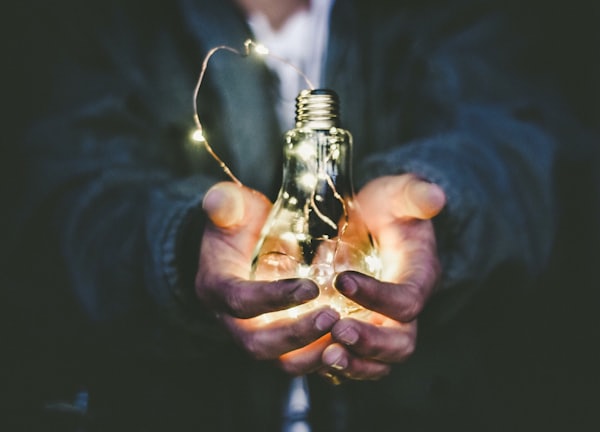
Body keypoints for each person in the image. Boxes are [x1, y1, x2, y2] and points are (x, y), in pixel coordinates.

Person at [5, 0, 598, 431]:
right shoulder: (107, 23)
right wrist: (184, 247)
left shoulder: (446, 18)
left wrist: (436, 209)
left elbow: (524, 142)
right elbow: (59, 189)